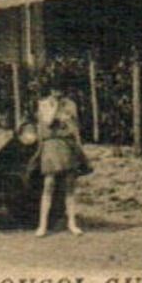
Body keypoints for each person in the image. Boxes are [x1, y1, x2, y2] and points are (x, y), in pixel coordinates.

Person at [33, 82, 91, 236]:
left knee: (69, 184)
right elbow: (48, 121)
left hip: (67, 144)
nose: (57, 92)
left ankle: (72, 223)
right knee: (49, 183)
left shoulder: (71, 104)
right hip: (51, 144)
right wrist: (57, 108)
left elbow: (74, 126)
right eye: (54, 89)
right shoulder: (44, 104)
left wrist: (79, 147)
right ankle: (42, 225)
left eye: (60, 89)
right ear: (50, 90)